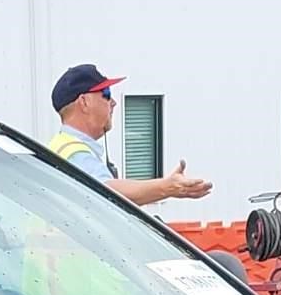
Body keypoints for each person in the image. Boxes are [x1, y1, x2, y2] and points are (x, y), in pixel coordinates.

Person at [47, 65, 213, 207]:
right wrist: (167, 187)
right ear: (84, 102)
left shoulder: (61, 146)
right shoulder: (75, 154)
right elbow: (106, 194)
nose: (113, 102)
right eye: (106, 93)